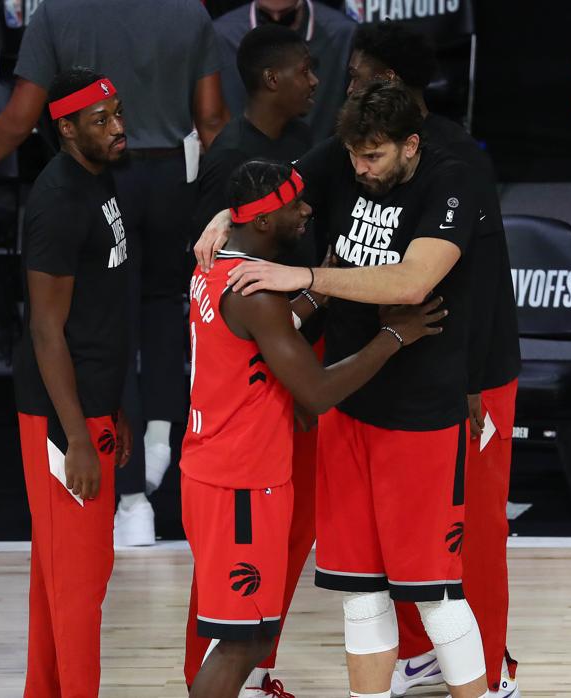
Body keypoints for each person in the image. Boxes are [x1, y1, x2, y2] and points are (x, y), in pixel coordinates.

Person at [195, 82, 488, 698]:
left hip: (419, 413)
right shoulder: (344, 156)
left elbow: (412, 283)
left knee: (435, 593)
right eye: (354, 155)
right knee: (359, 589)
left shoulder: (452, 180)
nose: (359, 168)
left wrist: (304, 275)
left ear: (410, 146)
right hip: (348, 407)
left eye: (374, 157)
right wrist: (226, 214)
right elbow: (270, 193)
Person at [0, 0, 229, 546]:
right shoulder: (189, 11)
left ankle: (134, 500)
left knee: (109, 320)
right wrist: (228, 200)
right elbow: (212, 119)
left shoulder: (56, 13)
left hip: (106, 176)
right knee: (169, 312)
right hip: (174, 176)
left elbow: (22, 117)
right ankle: (162, 445)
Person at [345, 22, 522, 698]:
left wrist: (472, 383)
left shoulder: (456, 158)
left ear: (391, 80)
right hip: (411, 368)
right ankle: (423, 656)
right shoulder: (365, 149)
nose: (350, 84)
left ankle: (495, 670)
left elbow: (472, 285)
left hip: (473, 374)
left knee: (473, 532)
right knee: (414, 538)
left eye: (361, 74)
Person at [183, 24, 319, 696]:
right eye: (305, 70)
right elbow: (225, 270)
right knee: (234, 637)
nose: (316, 82)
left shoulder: (295, 152)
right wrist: (394, 335)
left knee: (250, 629)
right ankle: (209, 676)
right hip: (237, 464)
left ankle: (239, 676)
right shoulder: (229, 159)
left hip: (244, 433)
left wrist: (316, 291)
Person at [12, 67, 133, 698]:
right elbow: (46, 330)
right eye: (101, 120)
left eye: (117, 114)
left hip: (93, 406)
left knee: (59, 574)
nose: (118, 128)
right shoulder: (57, 201)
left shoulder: (98, 178)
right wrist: (78, 436)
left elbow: (106, 310)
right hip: (63, 417)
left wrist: (116, 409)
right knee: (80, 580)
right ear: (65, 128)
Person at [212, 0, 356, 141]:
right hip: (245, 157)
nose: (314, 81)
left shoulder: (345, 35)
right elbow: (211, 118)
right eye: (266, 18)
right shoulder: (221, 36)